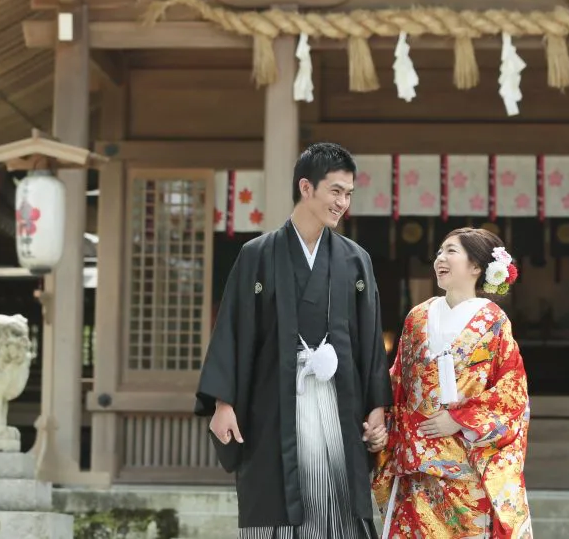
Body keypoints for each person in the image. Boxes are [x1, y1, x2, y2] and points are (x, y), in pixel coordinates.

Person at [196, 142, 393, 539]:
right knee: (274, 502)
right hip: (274, 401)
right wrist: (223, 402)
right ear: (307, 188)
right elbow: (234, 330)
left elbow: (370, 341)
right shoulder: (257, 255)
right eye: (336, 191)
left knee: (338, 503)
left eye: (349, 194)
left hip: (338, 402)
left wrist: (376, 406)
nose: (343, 202)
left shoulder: (355, 260)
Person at [373, 227, 532, 539]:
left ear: (476, 267)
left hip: (467, 467)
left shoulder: (494, 321)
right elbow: (397, 381)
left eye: (450, 251)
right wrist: (380, 419)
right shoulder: (418, 316)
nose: (439, 259)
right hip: (416, 465)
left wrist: (460, 420)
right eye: (439, 252)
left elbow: (512, 393)